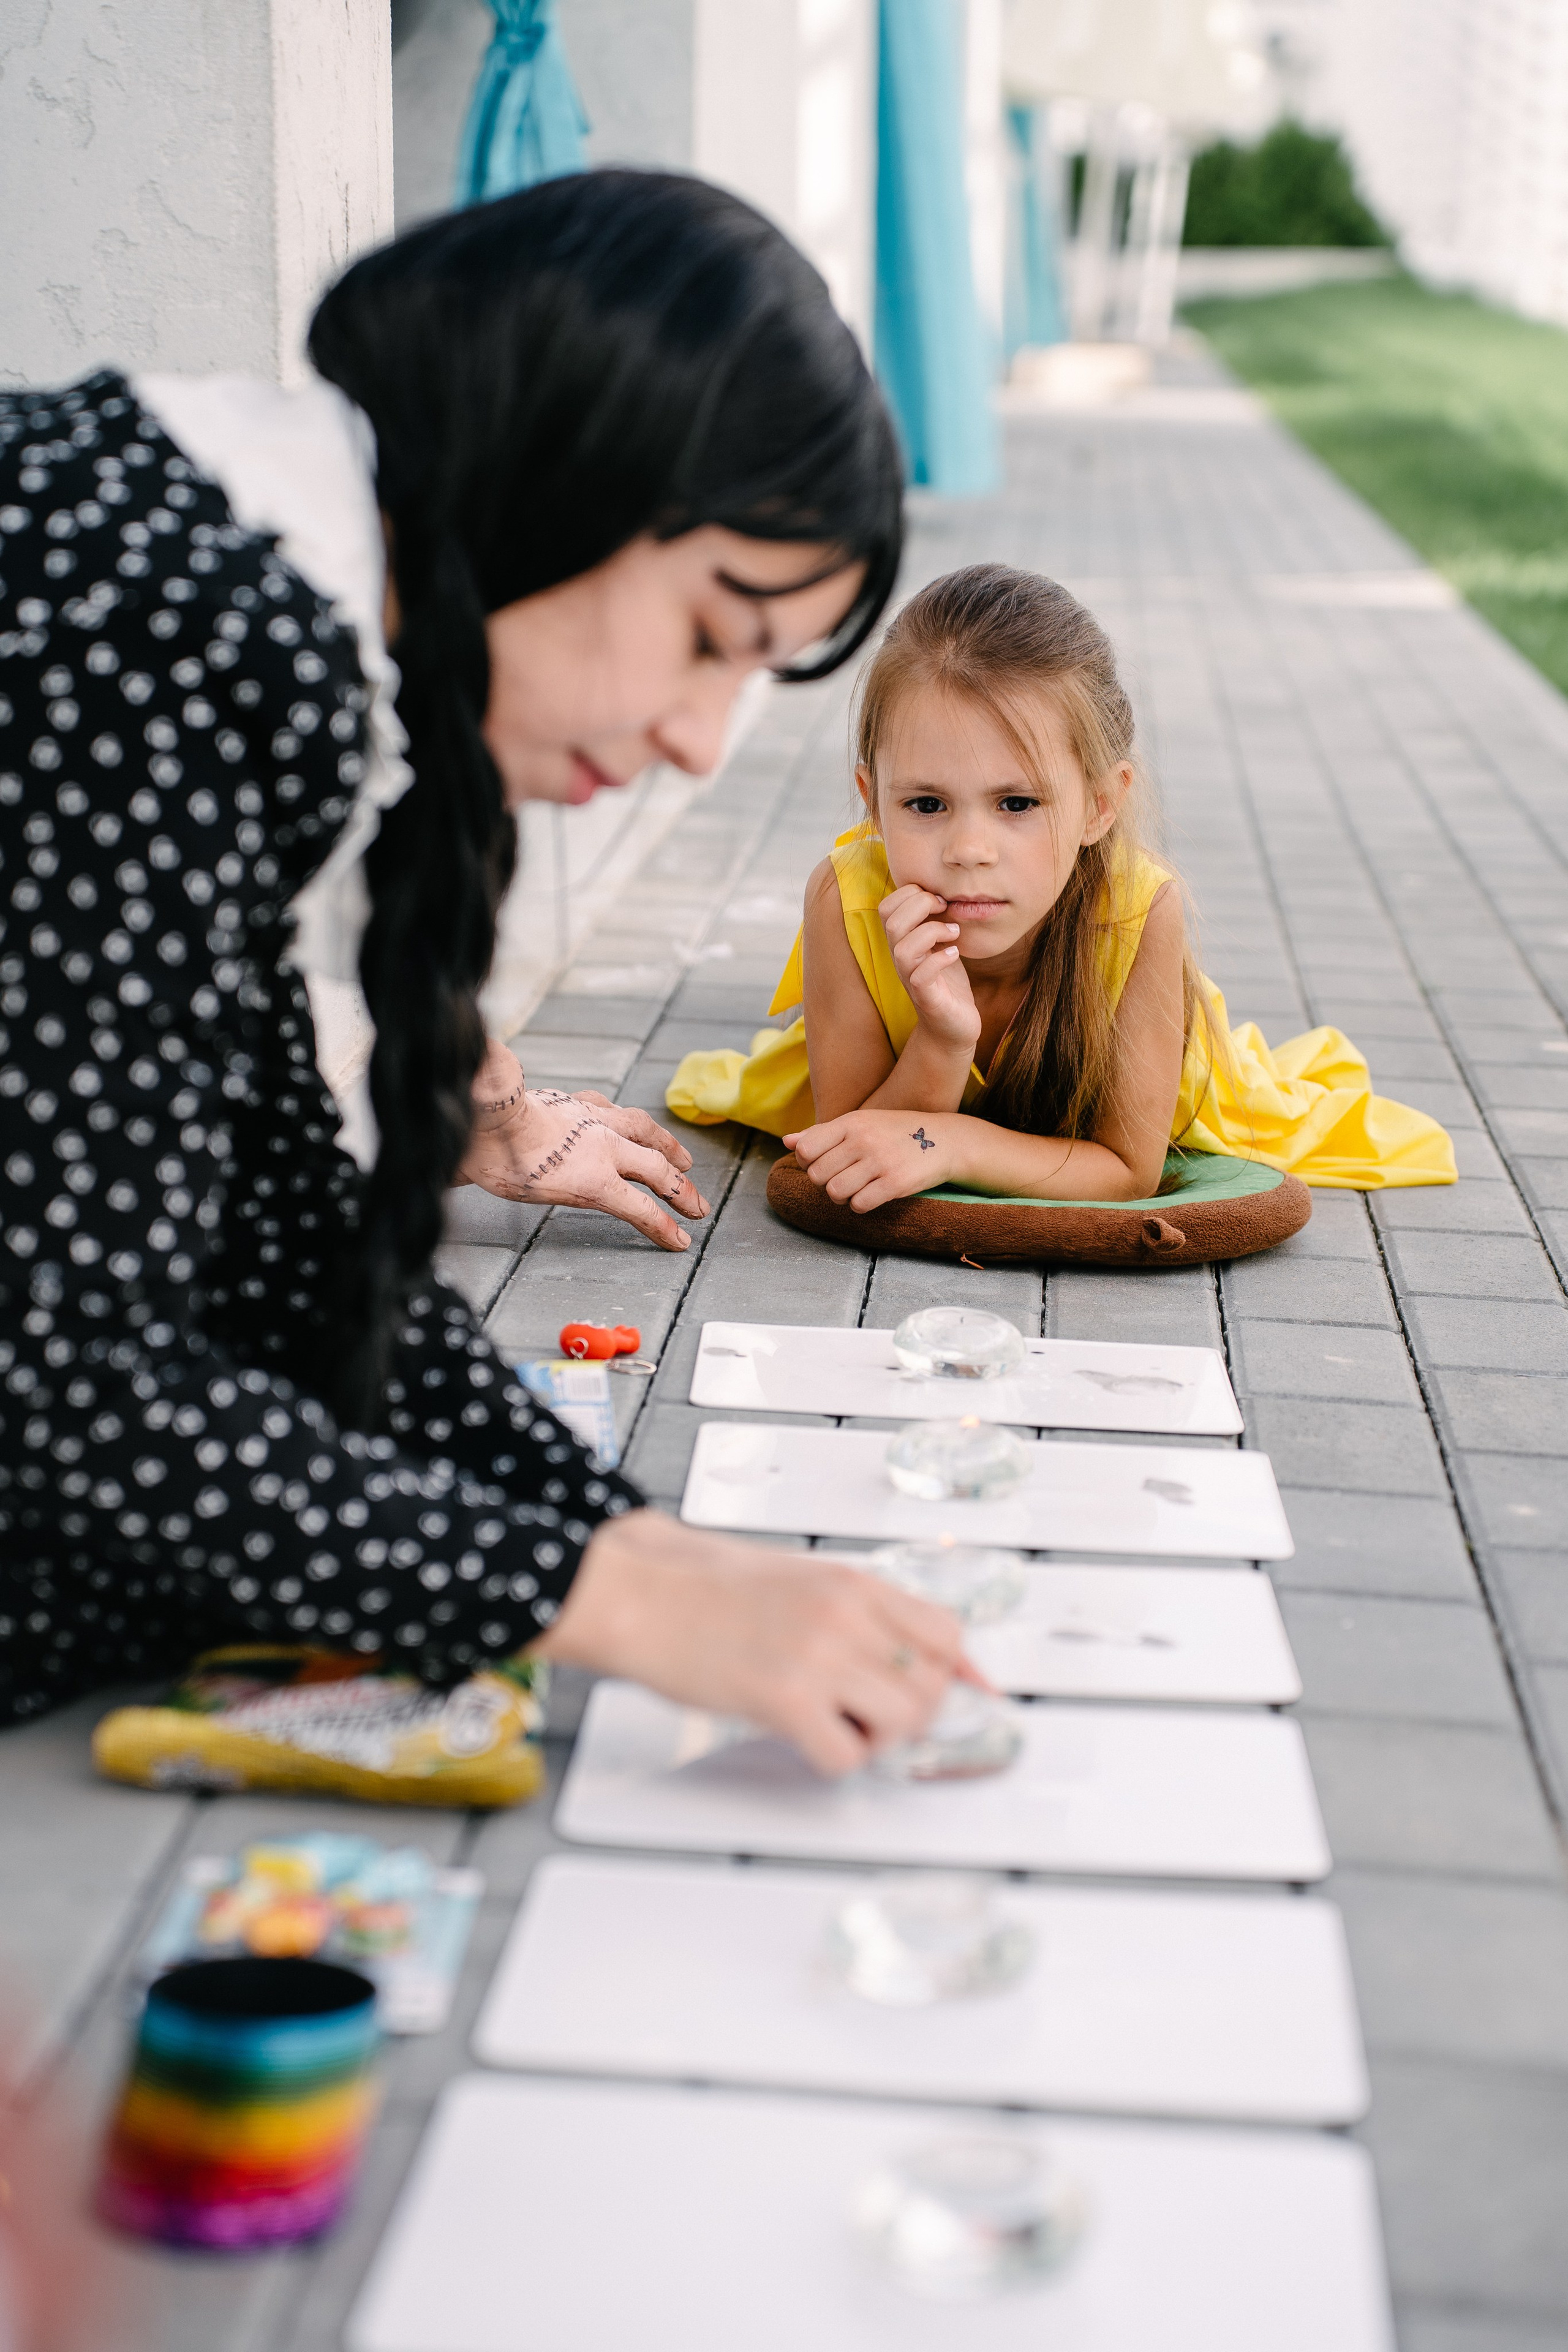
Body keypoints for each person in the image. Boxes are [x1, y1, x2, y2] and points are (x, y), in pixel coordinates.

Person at [0, 172, 971, 1770]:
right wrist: (608, 1597)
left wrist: (639, 1550)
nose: (695, 740)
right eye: (712, 633)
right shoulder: (191, 637)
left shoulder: (199, 555)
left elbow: (288, 1252)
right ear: (564, 475)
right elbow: (71, 1392)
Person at [668, 563, 1457, 1205]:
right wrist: (943, 1037)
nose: (969, 850)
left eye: (1018, 804)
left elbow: (1126, 1169)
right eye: (926, 804)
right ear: (873, 801)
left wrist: (953, 1141)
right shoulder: (847, 901)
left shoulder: (1140, 911)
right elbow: (850, 1150)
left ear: (1100, 804)